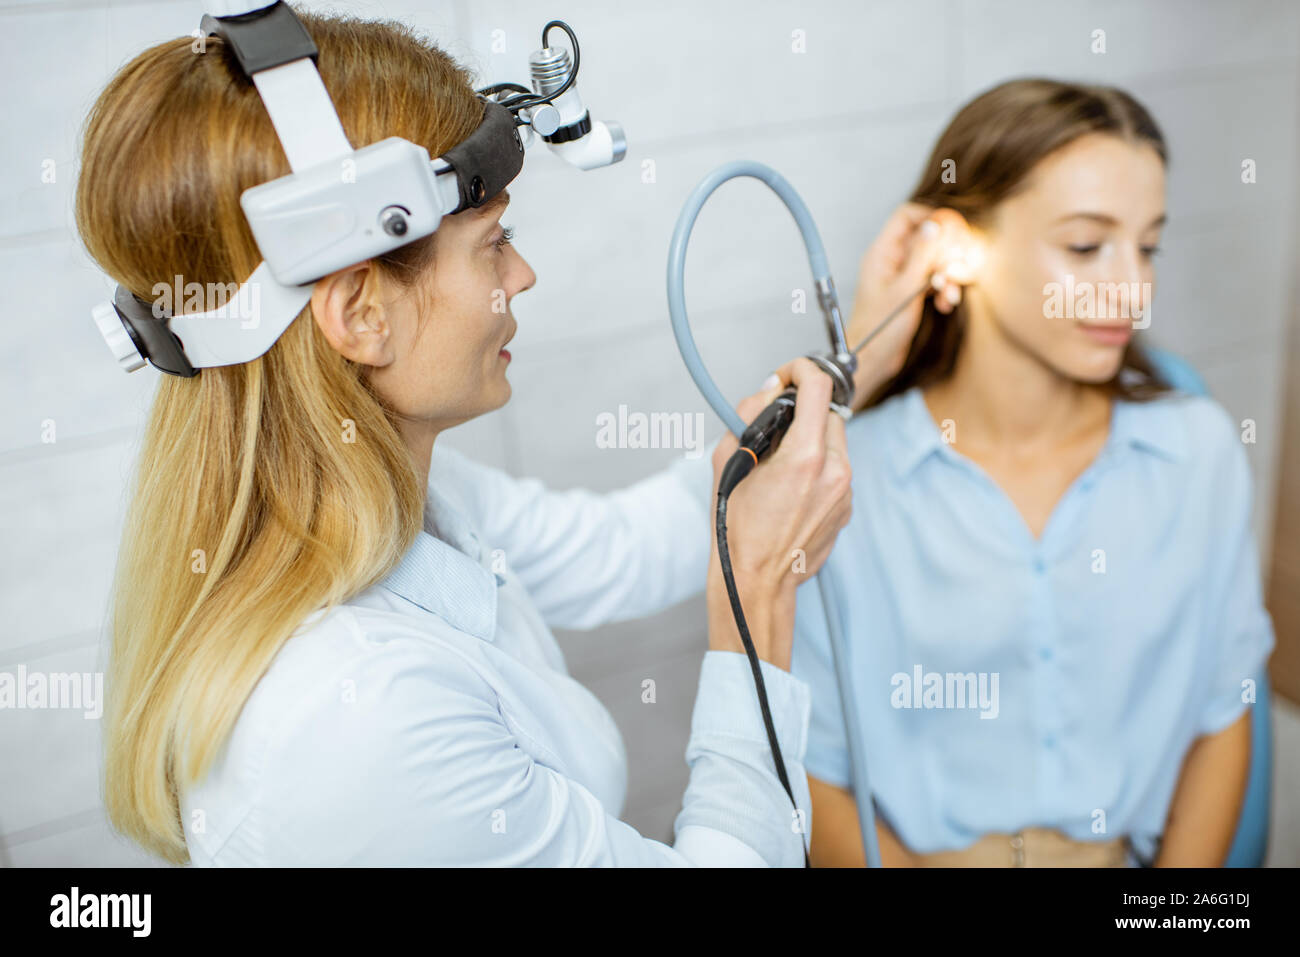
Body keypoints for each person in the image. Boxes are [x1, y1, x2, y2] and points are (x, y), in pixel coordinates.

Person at [78, 11, 852, 866]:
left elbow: (618, 550)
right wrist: (760, 597)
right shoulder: (360, 717)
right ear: (361, 313)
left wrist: (841, 395)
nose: (522, 275)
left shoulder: (398, 503)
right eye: (494, 243)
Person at [801, 78, 1275, 867]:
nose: (1135, 286)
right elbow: (810, 771)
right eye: (1087, 246)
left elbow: (1225, 708)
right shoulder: (845, 478)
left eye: (1147, 245)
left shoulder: (1196, 454)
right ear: (959, 248)